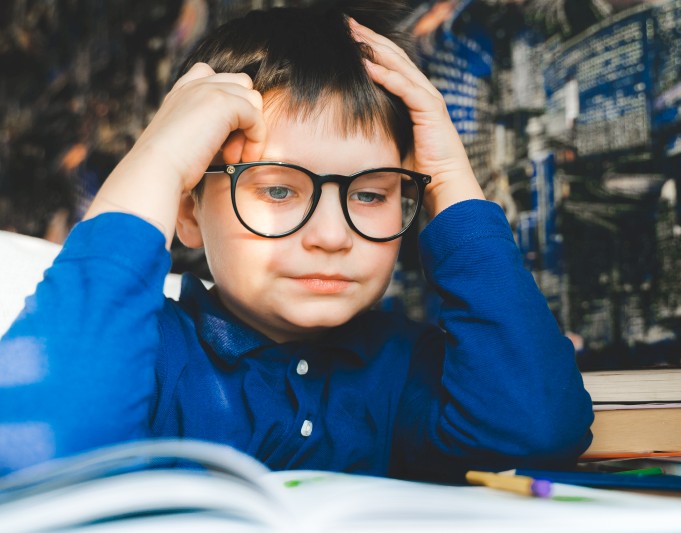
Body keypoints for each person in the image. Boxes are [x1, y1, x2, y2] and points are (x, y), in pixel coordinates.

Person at [0, 1, 593, 481]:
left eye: (370, 194)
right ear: (186, 209)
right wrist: (156, 161)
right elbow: (34, 445)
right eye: (279, 191)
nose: (333, 237)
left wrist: (454, 181)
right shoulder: (145, 353)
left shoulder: (403, 370)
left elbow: (540, 426)